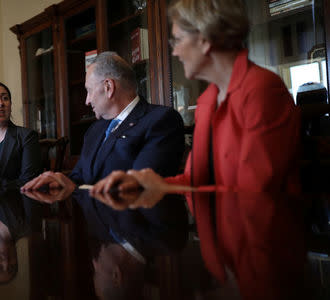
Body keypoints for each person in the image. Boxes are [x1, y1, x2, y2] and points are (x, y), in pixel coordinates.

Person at [91, 0, 301, 196]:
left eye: (179, 40)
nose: (175, 52)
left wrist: (163, 186)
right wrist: (141, 181)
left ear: (204, 39)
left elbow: (255, 191)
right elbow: (195, 180)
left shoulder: (262, 88)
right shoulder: (207, 100)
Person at [21, 52, 184, 193]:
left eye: (89, 90)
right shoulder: (94, 130)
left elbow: (137, 187)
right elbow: (79, 177)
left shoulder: (161, 120)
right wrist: (59, 181)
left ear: (108, 87)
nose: (86, 100)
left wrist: (75, 187)